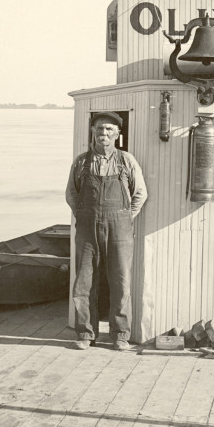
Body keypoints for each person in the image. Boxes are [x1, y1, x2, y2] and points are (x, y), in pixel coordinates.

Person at [65, 111, 147, 350]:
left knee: (120, 281)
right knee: (84, 282)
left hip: (119, 227)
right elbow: (71, 193)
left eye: (109, 130)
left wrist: (124, 216)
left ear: (117, 134)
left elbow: (140, 194)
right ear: (93, 132)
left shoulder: (126, 161)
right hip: (87, 227)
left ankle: (120, 335)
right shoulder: (81, 162)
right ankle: (85, 334)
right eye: (100, 129)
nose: (104, 134)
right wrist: (83, 215)